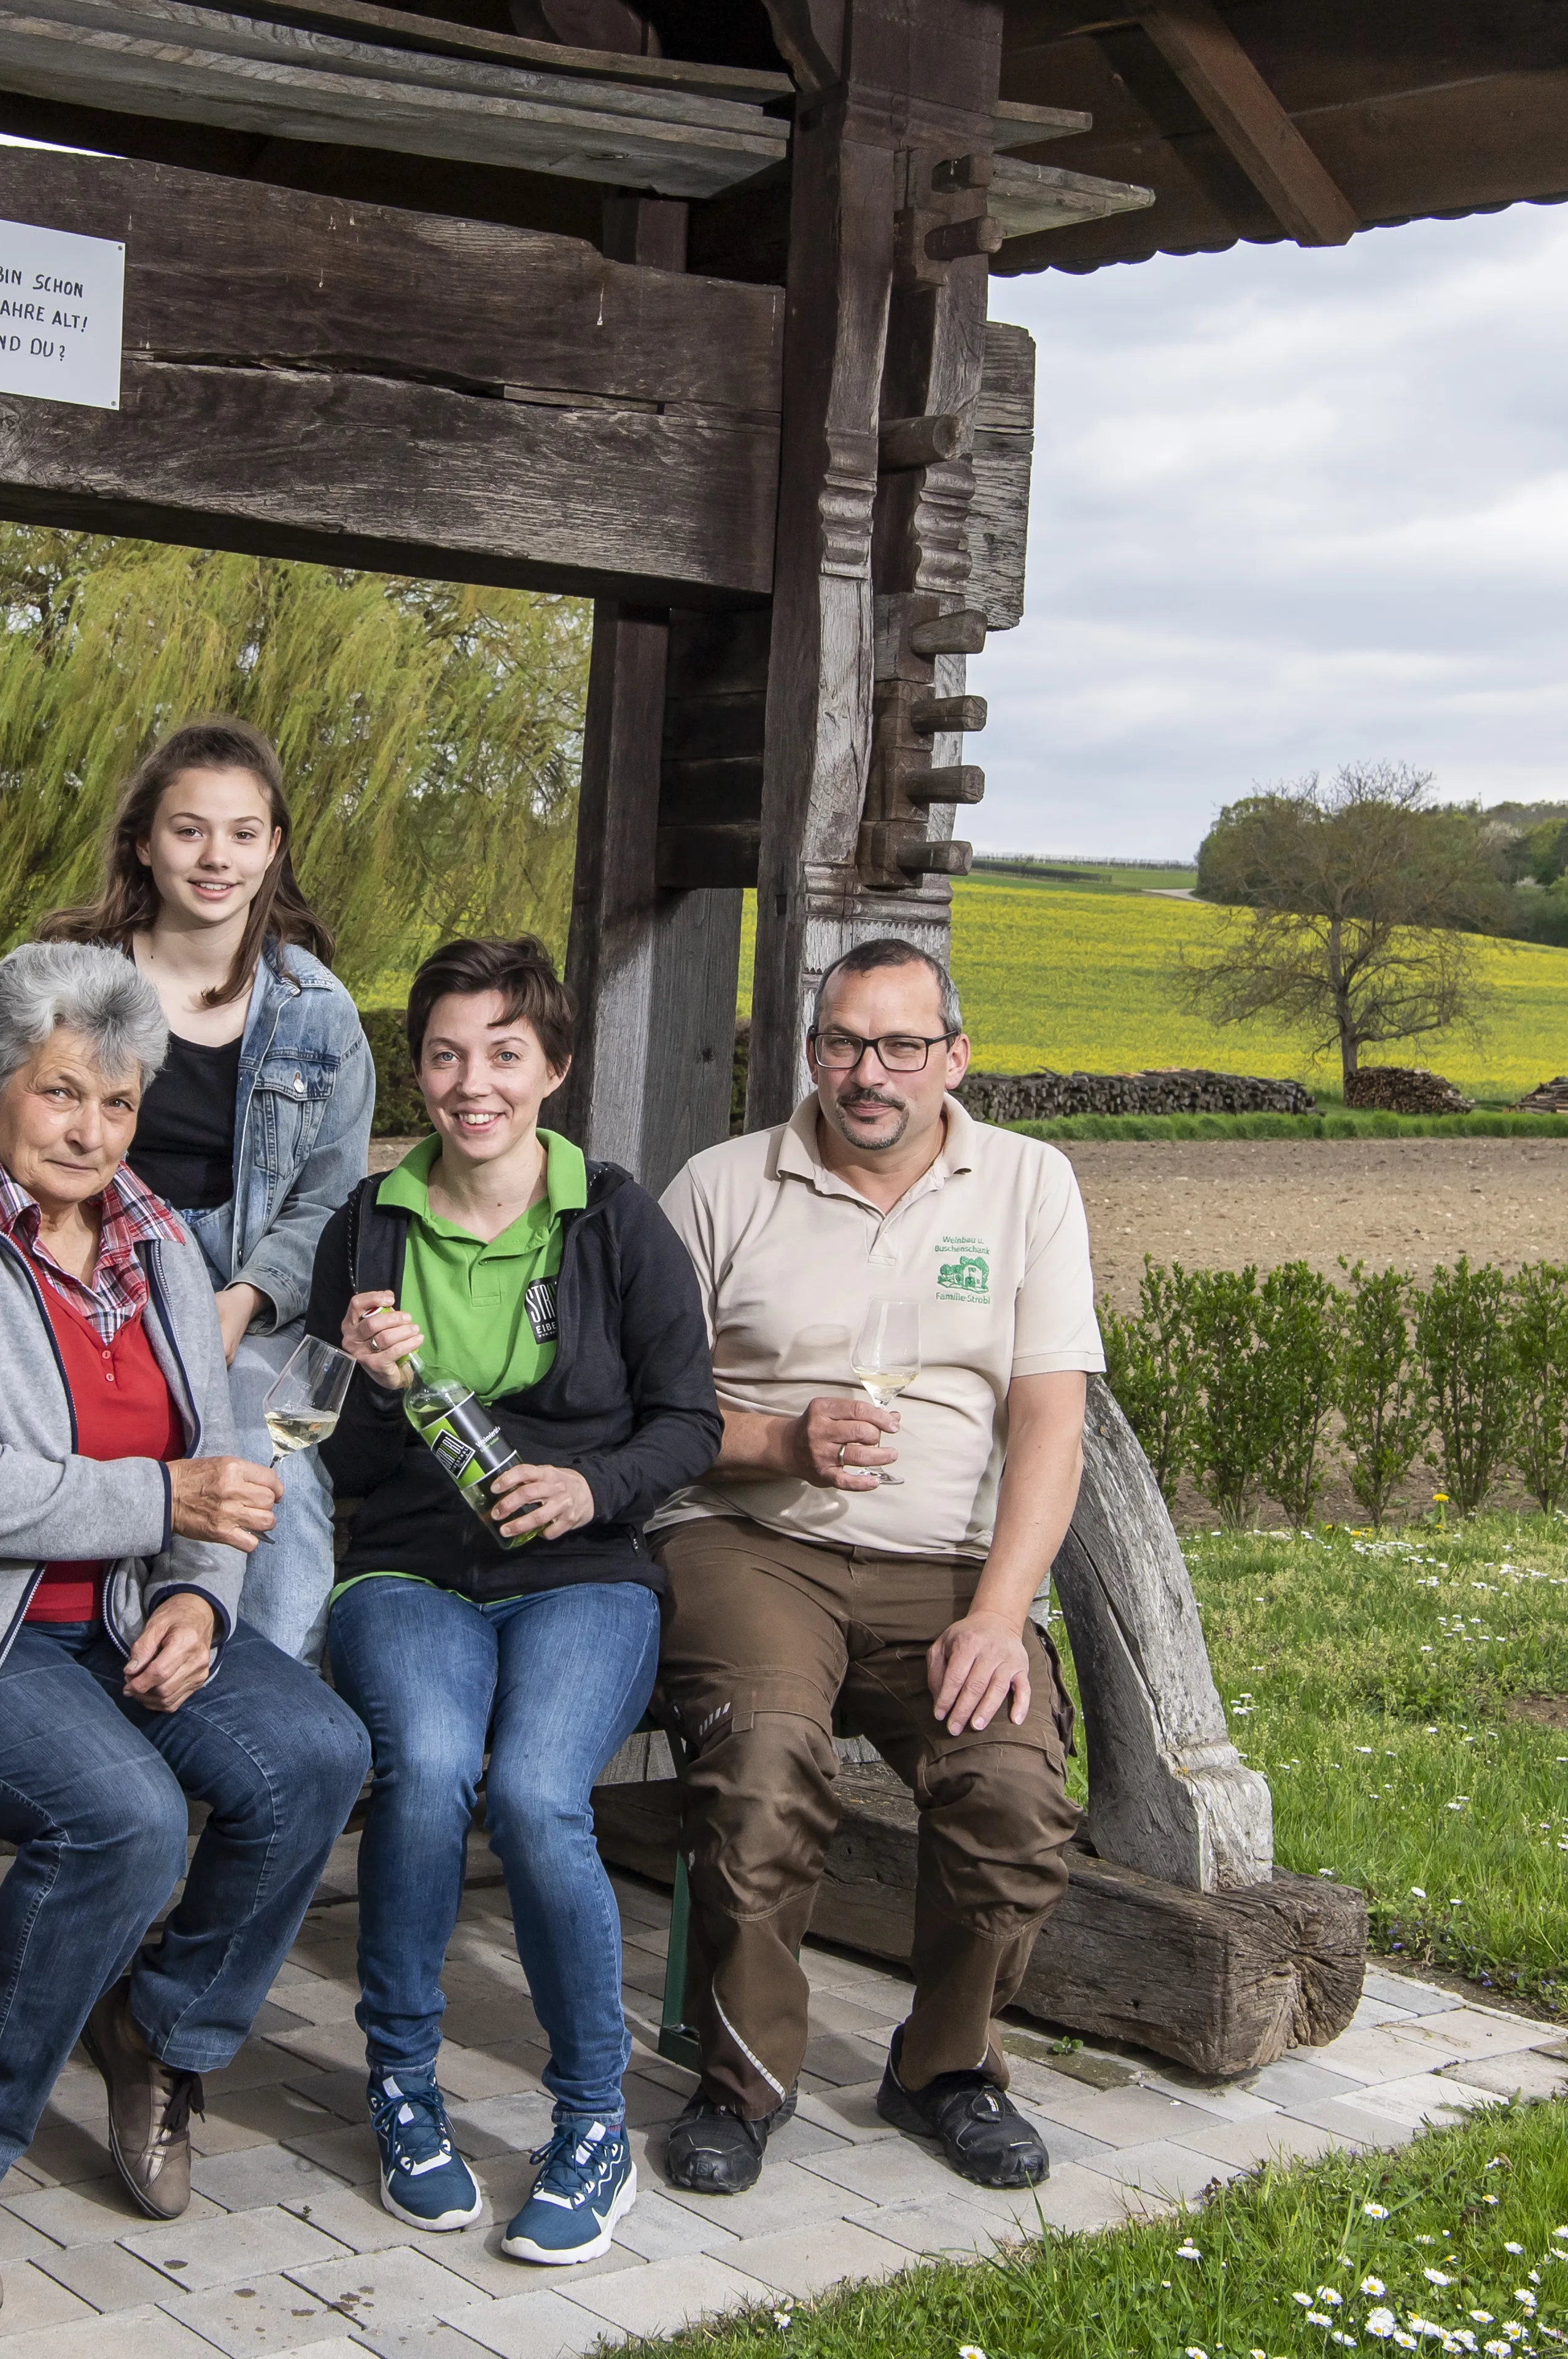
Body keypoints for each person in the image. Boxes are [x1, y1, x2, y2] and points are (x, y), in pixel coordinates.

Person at [0, 941, 371, 2304]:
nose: (92, 1130)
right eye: (60, 1095)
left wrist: (207, 1600)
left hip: (118, 1608)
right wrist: (160, 1499)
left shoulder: (152, 1231)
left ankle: (159, 2027)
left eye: (118, 1101)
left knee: (317, 1753)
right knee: (126, 1818)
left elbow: (218, 1439)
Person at [647, 938, 1099, 2197]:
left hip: (951, 1564)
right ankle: (741, 2082)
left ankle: (944, 2067)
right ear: (810, 1052)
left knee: (1012, 1795)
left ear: (955, 1054)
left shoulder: (1028, 1185)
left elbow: (1051, 1422)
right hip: (754, 1542)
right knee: (763, 1764)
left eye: (903, 1044)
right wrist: (780, 1437)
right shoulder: (723, 1185)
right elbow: (655, 1410)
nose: (870, 1072)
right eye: (844, 1042)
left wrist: (1002, 1613)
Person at [307, 939, 720, 2264]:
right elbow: (344, 1460)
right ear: (416, 1068)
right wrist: (367, 1382)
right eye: (443, 1051)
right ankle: (402, 2087)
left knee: (540, 1791)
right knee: (426, 1770)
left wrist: (591, 1488)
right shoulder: (367, 1226)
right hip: (413, 1565)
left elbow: (690, 1422)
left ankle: (591, 2122)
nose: (469, 1081)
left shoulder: (613, 1214)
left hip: (584, 1571)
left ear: (553, 1066)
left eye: (501, 1051)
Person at [42, 718, 375, 1662]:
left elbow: (324, 1202)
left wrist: (241, 1300)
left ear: (274, 846)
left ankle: (269, 1701)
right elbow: (21, 1150)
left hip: (242, 1306)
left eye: (241, 832)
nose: (215, 856)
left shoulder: (319, 1012)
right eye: (189, 830)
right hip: (88, 1285)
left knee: (275, 1479)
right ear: (144, 842)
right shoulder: (68, 986)